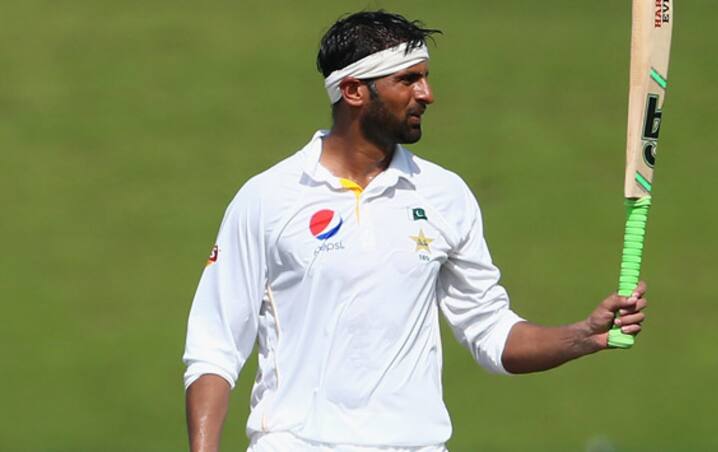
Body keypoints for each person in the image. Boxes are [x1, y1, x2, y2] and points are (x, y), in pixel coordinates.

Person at [182, 10, 647, 452]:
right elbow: (214, 349)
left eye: (424, 77)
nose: (427, 94)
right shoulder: (267, 198)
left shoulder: (445, 194)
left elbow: (489, 331)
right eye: (408, 80)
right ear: (353, 91)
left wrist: (583, 335)